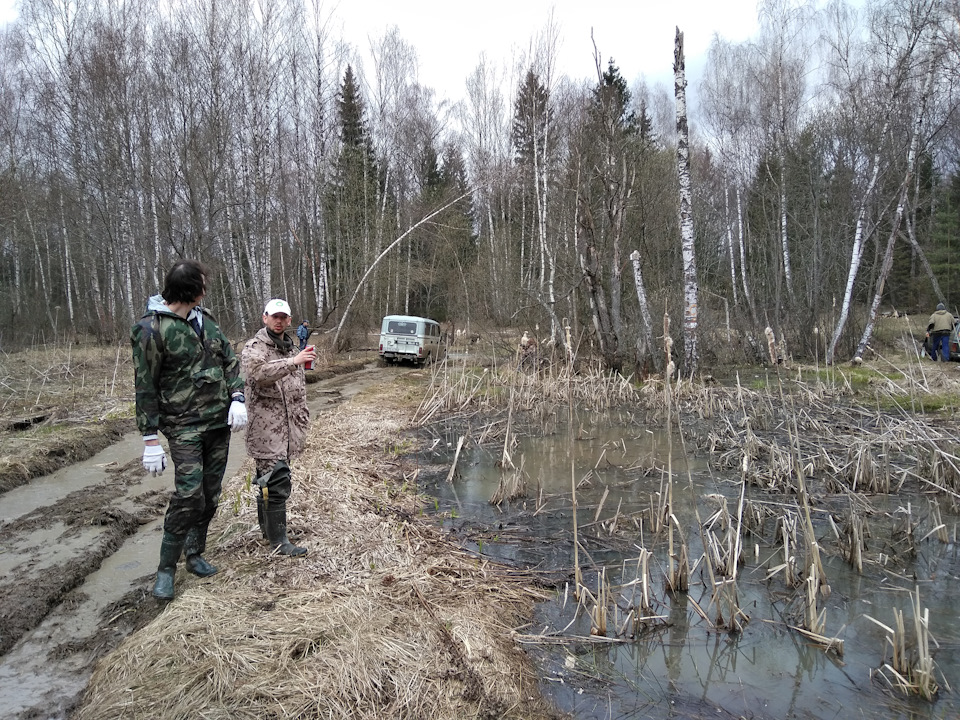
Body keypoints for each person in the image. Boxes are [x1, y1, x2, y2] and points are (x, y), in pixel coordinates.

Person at [131, 260, 247, 600]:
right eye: (203, 284)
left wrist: (237, 396)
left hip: (218, 424)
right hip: (182, 428)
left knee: (210, 495)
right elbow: (144, 385)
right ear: (191, 290)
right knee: (188, 495)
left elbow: (229, 360)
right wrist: (150, 438)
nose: (206, 290)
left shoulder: (206, 321)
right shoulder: (150, 329)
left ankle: (195, 555)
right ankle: (166, 569)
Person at [241, 299, 316, 557]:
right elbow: (258, 373)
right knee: (277, 482)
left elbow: (298, 391)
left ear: (289, 320)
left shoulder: (290, 348)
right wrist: (293, 362)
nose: (279, 321)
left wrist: (302, 420)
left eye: (284, 317)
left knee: (270, 481)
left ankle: (269, 531)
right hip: (266, 429)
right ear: (264, 318)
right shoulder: (255, 347)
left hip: (289, 429)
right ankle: (279, 541)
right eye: (275, 316)